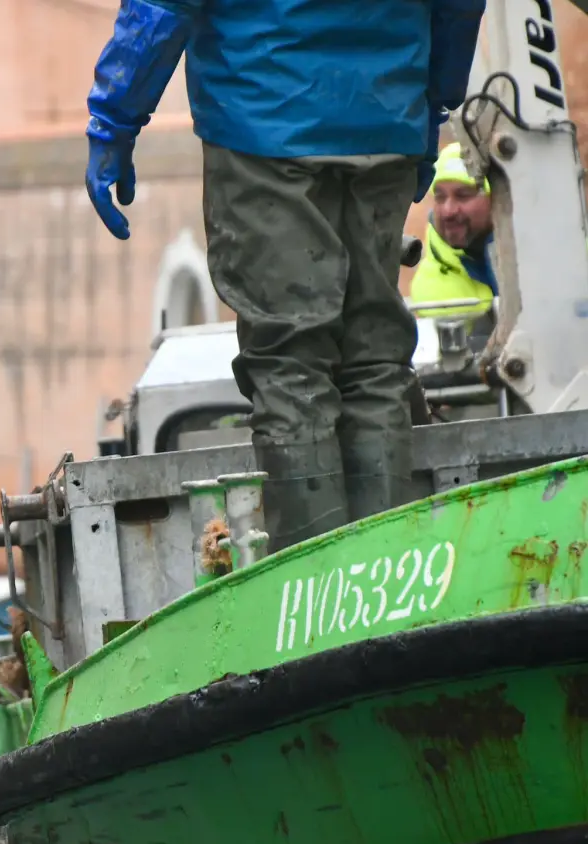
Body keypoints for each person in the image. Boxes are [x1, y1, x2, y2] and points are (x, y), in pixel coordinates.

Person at [84, 0, 486, 551]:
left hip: (264, 119)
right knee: (374, 360)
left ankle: (321, 592)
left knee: (292, 366)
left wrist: (115, 117)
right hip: (386, 117)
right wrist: (432, 104)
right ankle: (390, 576)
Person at [411, 142, 497, 321]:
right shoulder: (433, 287)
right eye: (440, 197)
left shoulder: (535, 261)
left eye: (463, 195)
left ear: (496, 199)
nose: (448, 211)